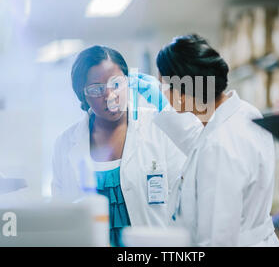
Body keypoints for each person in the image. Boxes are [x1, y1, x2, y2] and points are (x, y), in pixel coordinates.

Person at [131, 34, 279, 246]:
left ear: (182, 92)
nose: (162, 94)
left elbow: (217, 239)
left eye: (162, 85)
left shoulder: (219, 144)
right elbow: (199, 146)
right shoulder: (243, 113)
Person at [51, 46, 185, 246]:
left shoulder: (160, 128)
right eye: (96, 89)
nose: (110, 95)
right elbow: (60, 217)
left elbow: (187, 197)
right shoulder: (65, 144)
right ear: (83, 95)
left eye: (116, 83)